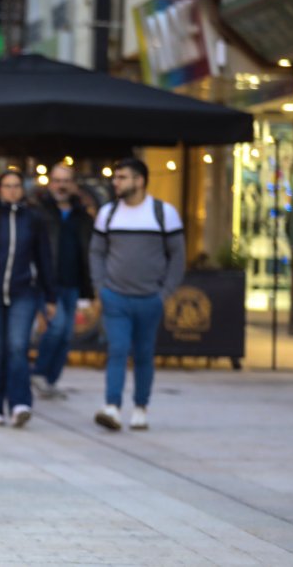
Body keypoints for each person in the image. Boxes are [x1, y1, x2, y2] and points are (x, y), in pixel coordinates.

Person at [90, 157, 185, 431]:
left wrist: (164, 293)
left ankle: (141, 407)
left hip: (150, 298)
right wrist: (101, 287)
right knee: (117, 349)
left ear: (139, 181)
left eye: (122, 177)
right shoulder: (107, 213)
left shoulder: (163, 213)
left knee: (144, 353)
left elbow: (178, 256)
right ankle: (112, 407)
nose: (115, 182)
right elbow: (96, 252)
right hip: (116, 296)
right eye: (115, 177)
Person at [0, 171, 55, 428]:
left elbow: (44, 257)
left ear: (23, 189)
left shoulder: (33, 219)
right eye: (7, 186)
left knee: (18, 346)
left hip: (23, 292)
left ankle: (21, 403)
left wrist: (50, 296)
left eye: (16, 186)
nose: (12, 190)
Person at [31, 164, 94, 399]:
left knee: (67, 334)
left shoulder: (83, 216)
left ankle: (49, 380)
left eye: (66, 181)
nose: (61, 185)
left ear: (73, 185)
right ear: (50, 183)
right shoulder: (39, 212)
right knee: (56, 328)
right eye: (57, 180)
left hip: (73, 283)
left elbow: (88, 250)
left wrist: (89, 286)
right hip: (47, 282)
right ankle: (39, 373)